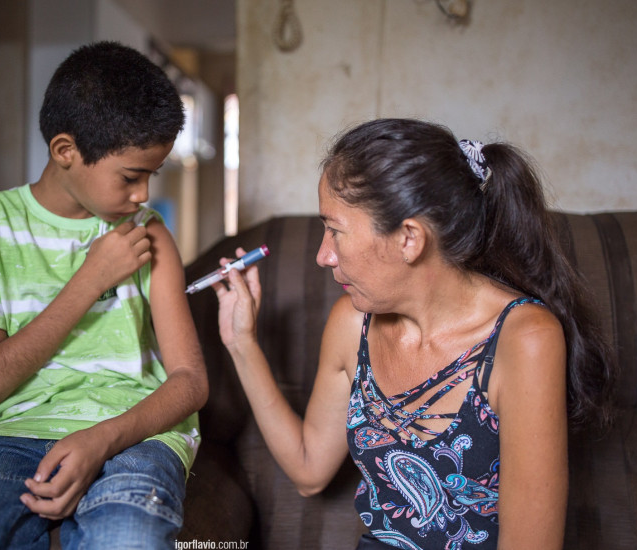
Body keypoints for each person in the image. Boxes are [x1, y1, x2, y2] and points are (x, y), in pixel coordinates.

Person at [213, 118, 615, 549]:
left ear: (409, 238)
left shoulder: (524, 340)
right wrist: (241, 342)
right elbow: (309, 471)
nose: (323, 255)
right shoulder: (352, 324)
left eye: (335, 231)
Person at [0, 41, 207, 550]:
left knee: (128, 538)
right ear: (65, 151)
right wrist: (90, 279)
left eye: (151, 176)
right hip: (17, 437)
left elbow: (189, 381)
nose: (143, 195)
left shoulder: (149, 231)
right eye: (131, 176)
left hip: (133, 434)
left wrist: (103, 438)